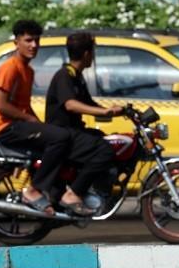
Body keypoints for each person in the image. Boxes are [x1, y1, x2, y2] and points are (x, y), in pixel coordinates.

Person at [0, 19, 71, 216]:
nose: (33, 45)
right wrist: (30, 121)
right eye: (28, 40)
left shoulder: (28, 70)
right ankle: (34, 190)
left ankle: (54, 194)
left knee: (61, 137)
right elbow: (2, 105)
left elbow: (24, 107)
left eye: (36, 41)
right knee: (61, 137)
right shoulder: (10, 68)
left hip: (20, 125)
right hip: (7, 128)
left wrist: (40, 124)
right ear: (16, 42)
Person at [45, 32, 125, 215]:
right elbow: (71, 105)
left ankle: (95, 190)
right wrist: (104, 111)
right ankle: (74, 193)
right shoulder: (64, 76)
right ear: (87, 54)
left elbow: (89, 105)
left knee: (105, 139)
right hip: (62, 134)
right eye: (93, 52)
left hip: (73, 131)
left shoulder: (77, 76)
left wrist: (116, 111)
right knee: (105, 150)